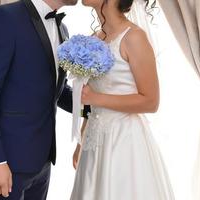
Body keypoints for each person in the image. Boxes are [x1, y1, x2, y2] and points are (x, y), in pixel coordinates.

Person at [0, 0, 88, 199]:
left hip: (42, 162)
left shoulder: (62, 29)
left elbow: (57, 90)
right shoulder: (3, 18)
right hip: (4, 161)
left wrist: (97, 106)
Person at [70, 0, 175, 199]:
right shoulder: (95, 38)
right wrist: (81, 141)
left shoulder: (133, 37)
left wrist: (96, 98)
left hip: (124, 139)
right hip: (93, 140)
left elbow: (151, 101)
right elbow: (90, 101)